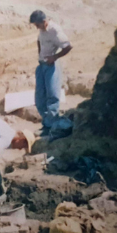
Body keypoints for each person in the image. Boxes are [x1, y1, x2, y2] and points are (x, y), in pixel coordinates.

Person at [30, 10, 74, 139]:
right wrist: (40, 55)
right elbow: (39, 40)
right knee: (39, 96)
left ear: (44, 22)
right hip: (42, 65)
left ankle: (52, 127)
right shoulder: (42, 30)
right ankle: (47, 123)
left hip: (51, 66)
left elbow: (68, 46)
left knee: (52, 96)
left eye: (37, 24)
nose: (36, 27)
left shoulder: (55, 30)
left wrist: (54, 57)